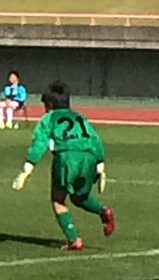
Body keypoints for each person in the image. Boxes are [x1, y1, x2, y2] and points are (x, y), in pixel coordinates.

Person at [12, 81, 115, 251]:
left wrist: (27, 168)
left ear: (50, 105)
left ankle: (74, 240)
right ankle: (103, 210)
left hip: (67, 157)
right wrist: (100, 165)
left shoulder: (49, 118)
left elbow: (39, 143)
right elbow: (96, 140)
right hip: (89, 157)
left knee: (58, 200)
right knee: (79, 197)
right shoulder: (80, 117)